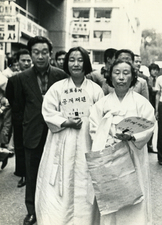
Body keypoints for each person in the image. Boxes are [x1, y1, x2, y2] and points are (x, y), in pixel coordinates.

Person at [35, 46, 103, 225]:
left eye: (80, 60)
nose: (76, 64)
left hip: (86, 141)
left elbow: (102, 118)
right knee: (59, 184)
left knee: (84, 180)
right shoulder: (57, 88)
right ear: (66, 63)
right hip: (62, 140)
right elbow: (48, 112)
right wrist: (66, 122)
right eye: (72, 60)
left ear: (86, 63)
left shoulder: (96, 90)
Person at [89, 59, 155, 225]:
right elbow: (93, 129)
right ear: (110, 76)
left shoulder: (141, 103)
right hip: (109, 156)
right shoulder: (102, 104)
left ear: (133, 77)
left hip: (133, 156)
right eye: (117, 73)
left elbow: (149, 127)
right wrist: (107, 140)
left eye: (126, 73)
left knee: (135, 192)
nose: (121, 77)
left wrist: (133, 137)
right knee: (110, 193)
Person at [17, 36, 68, 225]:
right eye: (36, 52)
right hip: (33, 133)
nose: (40, 56)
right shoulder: (21, 78)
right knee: (32, 174)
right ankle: (32, 211)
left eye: (44, 52)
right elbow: (19, 109)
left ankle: (52, 209)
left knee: (55, 174)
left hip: (56, 133)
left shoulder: (61, 75)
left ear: (50, 53)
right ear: (30, 54)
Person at [6, 49, 32, 188]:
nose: (26, 63)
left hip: (34, 117)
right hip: (19, 118)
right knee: (20, 147)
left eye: (29, 60)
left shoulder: (35, 78)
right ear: (18, 62)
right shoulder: (13, 80)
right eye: (23, 60)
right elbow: (10, 96)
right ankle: (23, 174)